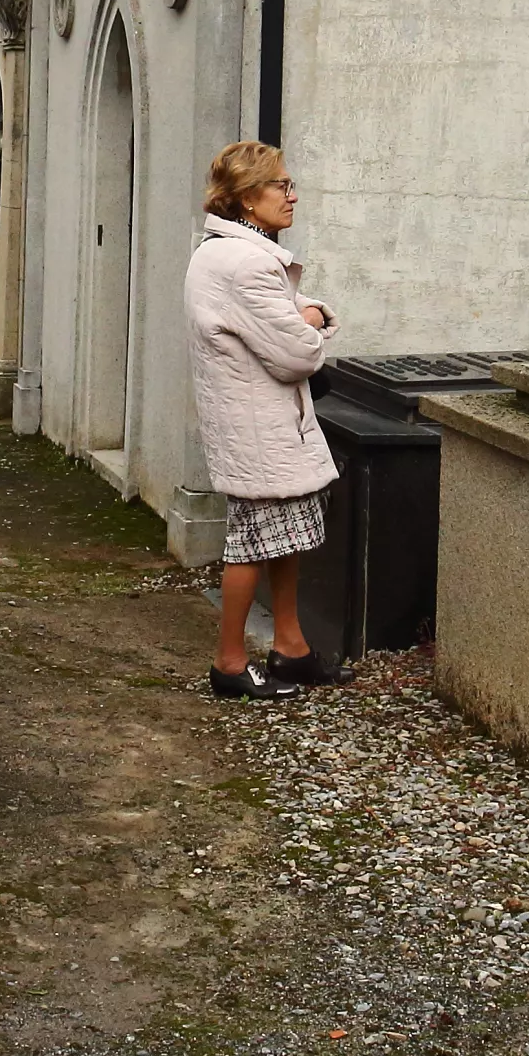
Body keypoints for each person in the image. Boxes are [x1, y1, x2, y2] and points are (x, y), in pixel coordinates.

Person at [186, 139, 348, 700]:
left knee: (283, 539)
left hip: (254, 420)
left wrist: (300, 316)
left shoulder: (221, 252)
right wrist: (313, 318)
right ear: (249, 197)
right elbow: (295, 355)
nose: (293, 195)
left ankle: (292, 648)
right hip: (259, 426)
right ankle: (229, 663)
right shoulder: (247, 263)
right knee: (251, 544)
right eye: (282, 185)